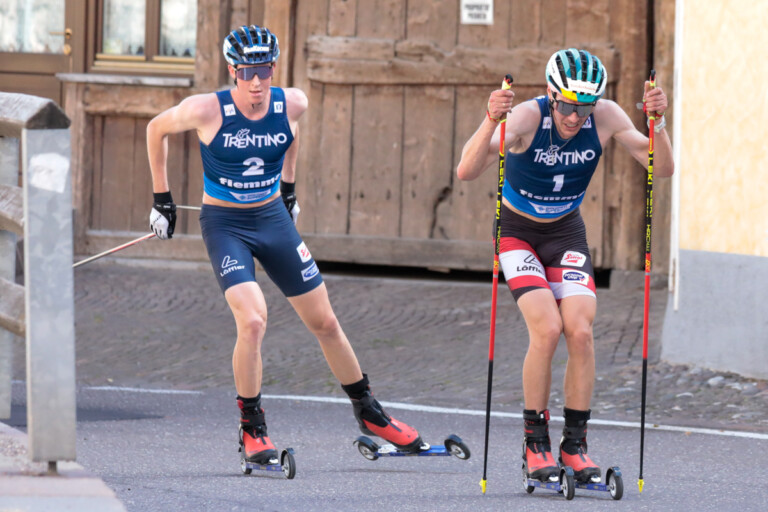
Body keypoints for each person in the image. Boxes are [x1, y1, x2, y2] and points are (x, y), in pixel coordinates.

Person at [146, 25, 424, 465]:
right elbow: (155, 128)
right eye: (246, 72)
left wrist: (289, 189)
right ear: (233, 72)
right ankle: (252, 429)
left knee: (326, 322)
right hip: (225, 225)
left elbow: (291, 134)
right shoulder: (206, 110)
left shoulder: (292, 101)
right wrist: (162, 199)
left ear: (273, 67)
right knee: (253, 321)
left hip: (272, 219)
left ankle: (369, 412)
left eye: (264, 70)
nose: (256, 82)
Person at [457, 49, 673, 483]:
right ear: (552, 96)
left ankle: (574, 446)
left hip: (566, 234)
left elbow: (661, 168)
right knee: (547, 329)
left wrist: (659, 125)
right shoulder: (528, 118)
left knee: (580, 330)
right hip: (518, 233)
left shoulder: (607, 116)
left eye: (585, 107)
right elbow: (466, 170)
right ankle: (535, 443)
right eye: (568, 106)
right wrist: (490, 120)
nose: (576, 117)